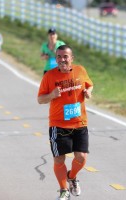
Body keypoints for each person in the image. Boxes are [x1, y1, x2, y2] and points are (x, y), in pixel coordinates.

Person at [37, 45, 93, 200]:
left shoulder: (80, 70)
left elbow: (89, 84)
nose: (62, 60)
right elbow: (40, 99)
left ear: (71, 58)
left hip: (79, 122)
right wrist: (51, 95)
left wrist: (88, 92)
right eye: (59, 57)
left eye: (65, 56)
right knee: (59, 159)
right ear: (56, 59)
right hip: (58, 124)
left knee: (81, 157)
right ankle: (63, 190)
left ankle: (72, 177)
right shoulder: (49, 76)